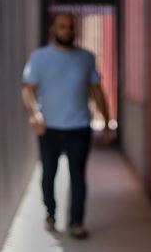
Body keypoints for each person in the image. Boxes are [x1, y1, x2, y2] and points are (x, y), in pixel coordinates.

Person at [21, 12, 112, 239]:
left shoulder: (86, 58)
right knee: (48, 175)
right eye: (62, 27)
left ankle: (76, 222)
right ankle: (50, 213)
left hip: (79, 127)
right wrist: (34, 114)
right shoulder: (39, 58)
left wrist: (108, 122)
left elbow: (97, 92)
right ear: (52, 29)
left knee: (78, 177)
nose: (67, 31)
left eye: (71, 27)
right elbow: (28, 90)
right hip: (49, 128)